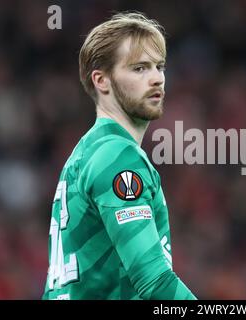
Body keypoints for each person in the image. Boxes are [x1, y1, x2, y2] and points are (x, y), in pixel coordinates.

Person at [42, 11, 197, 300]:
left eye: (159, 67)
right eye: (139, 68)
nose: (156, 79)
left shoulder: (86, 153)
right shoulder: (116, 156)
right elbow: (155, 283)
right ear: (102, 81)